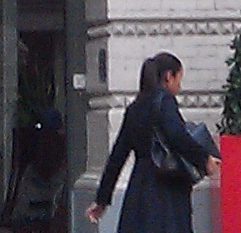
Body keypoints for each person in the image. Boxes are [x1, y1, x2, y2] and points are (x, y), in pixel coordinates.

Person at [91, 53, 217, 233]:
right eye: (178, 79)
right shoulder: (164, 101)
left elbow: (117, 156)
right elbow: (178, 136)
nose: (179, 86)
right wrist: (204, 160)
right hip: (165, 189)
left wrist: (102, 199)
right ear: (168, 76)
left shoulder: (134, 108)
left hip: (138, 190)